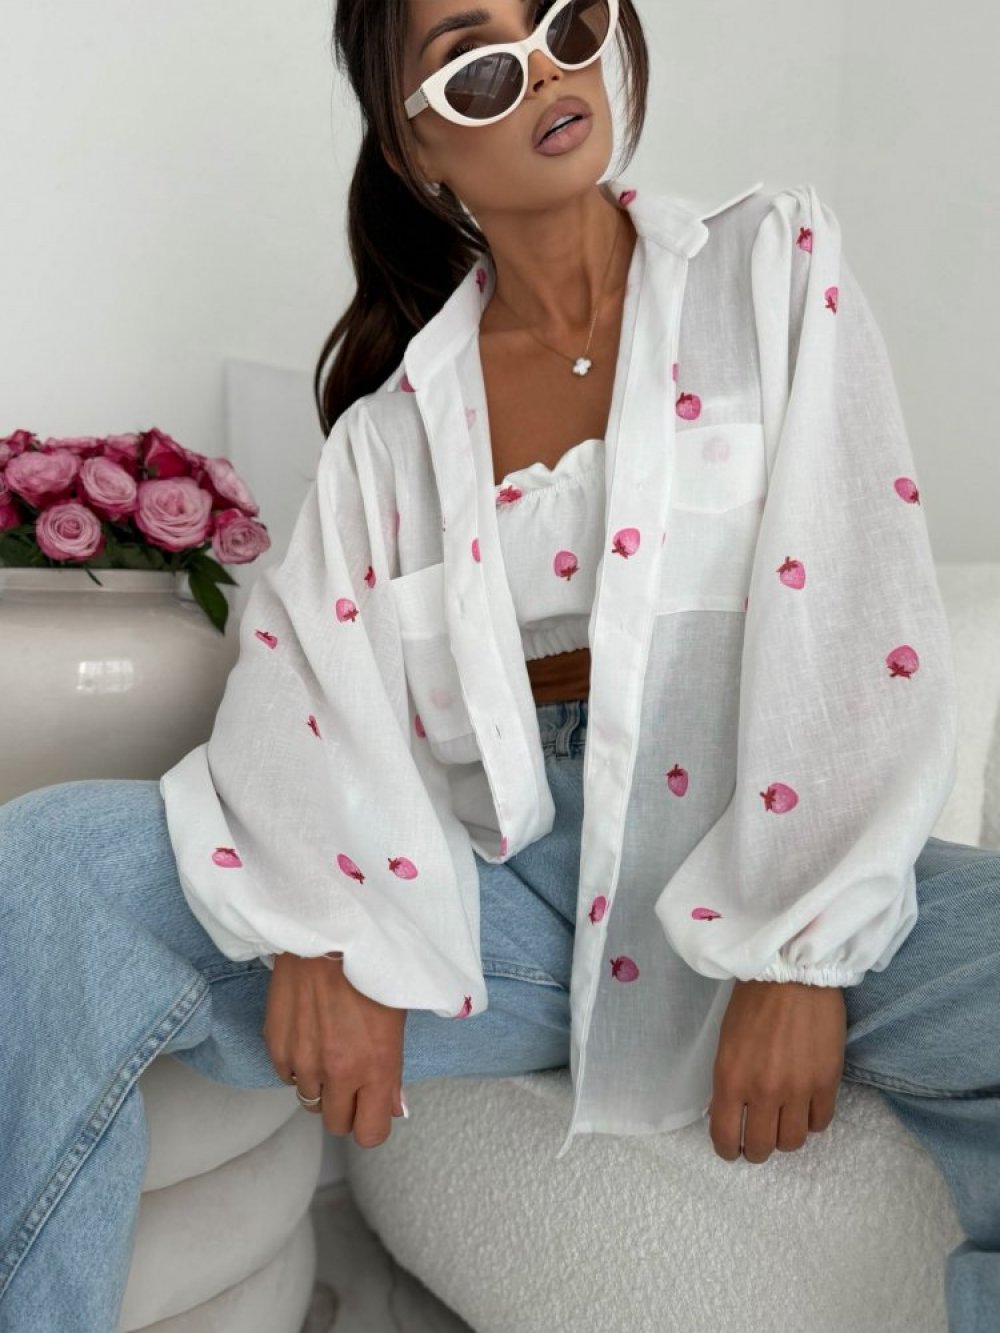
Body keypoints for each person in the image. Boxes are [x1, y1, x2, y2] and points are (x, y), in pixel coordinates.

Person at [1, 1, 997, 1329]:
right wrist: (323, 916)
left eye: (566, 23)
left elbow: (853, 603)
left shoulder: (769, 269)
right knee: (55, 865)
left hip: (752, 839)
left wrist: (798, 952)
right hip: (498, 891)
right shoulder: (391, 438)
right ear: (418, 147)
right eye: (479, 67)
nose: (545, 72)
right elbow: (309, 681)